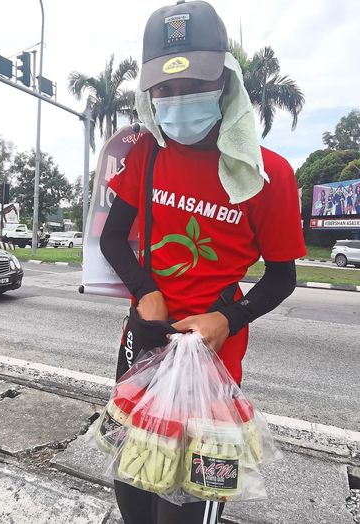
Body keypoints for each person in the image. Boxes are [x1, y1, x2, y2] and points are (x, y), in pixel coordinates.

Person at [99, 1, 306, 523]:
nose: (177, 99)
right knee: (133, 485)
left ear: (225, 81)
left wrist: (228, 319)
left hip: (212, 360)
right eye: (163, 89)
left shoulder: (268, 175)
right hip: (142, 341)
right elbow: (114, 239)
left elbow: (283, 275)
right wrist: (145, 292)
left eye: (193, 83)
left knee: (187, 506)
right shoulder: (147, 153)